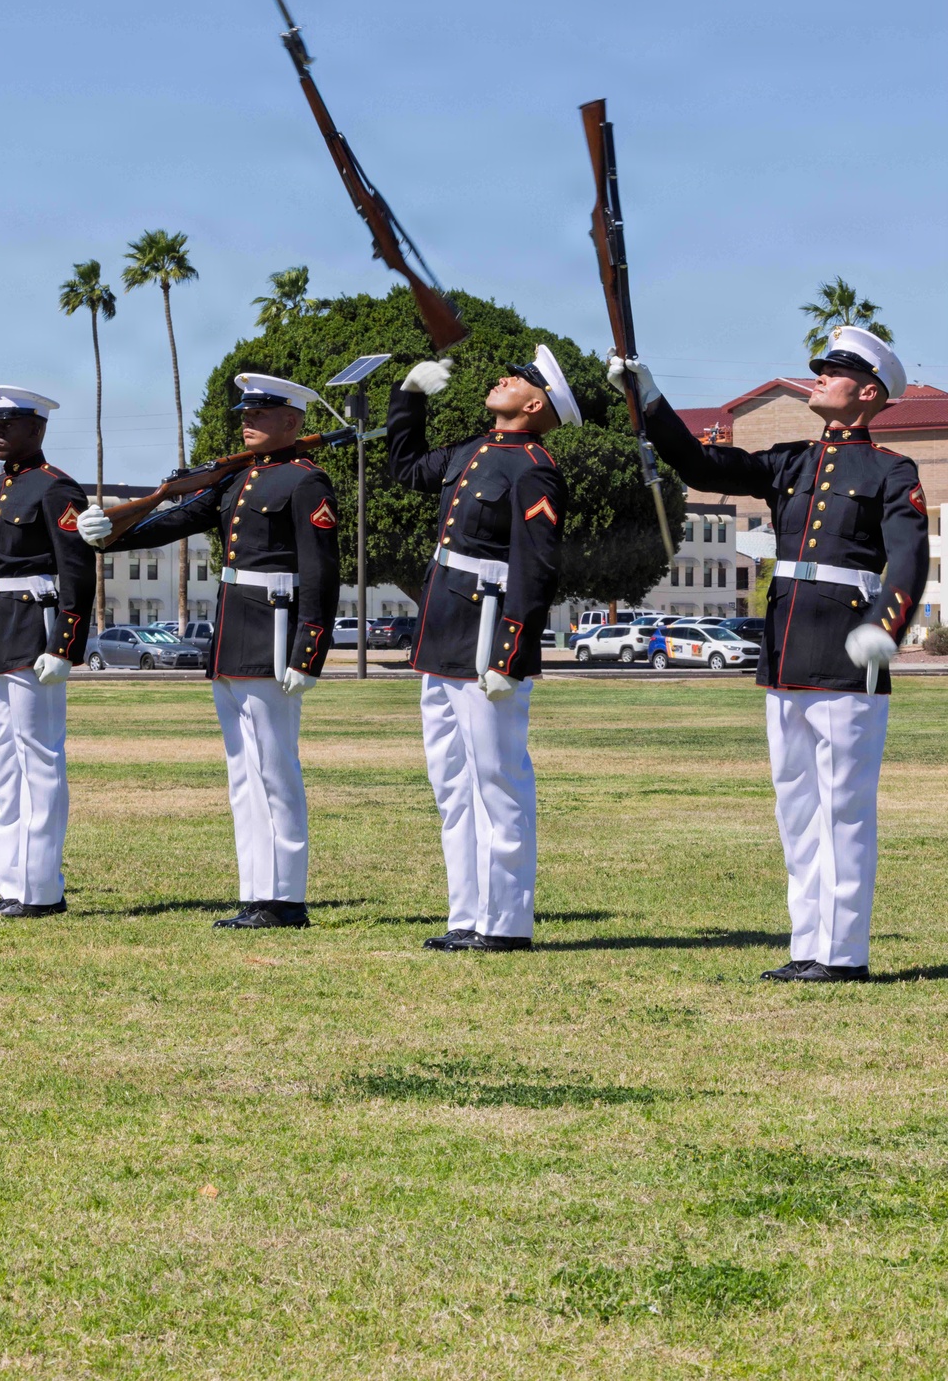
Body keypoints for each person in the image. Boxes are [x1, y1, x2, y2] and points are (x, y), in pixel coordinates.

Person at [608, 327, 929, 982]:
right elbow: (702, 467)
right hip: (784, 655)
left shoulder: (892, 471)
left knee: (843, 807)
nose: (818, 376)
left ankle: (843, 954)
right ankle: (808, 943)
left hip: (847, 656)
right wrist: (650, 398)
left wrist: (884, 631)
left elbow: (910, 558)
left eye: (832, 371)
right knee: (796, 805)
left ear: (867, 393)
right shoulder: (792, 463)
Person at [75, 372, 340, 930]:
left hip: (273, 630)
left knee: (275, 767)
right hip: (233, 630)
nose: (246, 420)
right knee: (243, 770)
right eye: (245, 411)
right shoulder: (236, 479)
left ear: (291, 421)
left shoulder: (306, 482)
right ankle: (255, 893)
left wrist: (307, 651)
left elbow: (321, 573)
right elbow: (174, 520)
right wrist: (110, 533)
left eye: (261, 413)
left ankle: (286, 897)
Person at [387, 346, 581, 952]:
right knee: (451, 782)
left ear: (535, 403)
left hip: (486, 630)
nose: (504, 379)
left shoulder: (535, 469)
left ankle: (506, 922)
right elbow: (408, 467)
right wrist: (408, 399)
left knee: (497, 780)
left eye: (519, 379)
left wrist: (510, 651)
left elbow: (537, 567)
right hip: (443, 626)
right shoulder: (474, 451)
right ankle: (466, 915)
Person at [0, 388, 97, 920]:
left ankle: (42, 891)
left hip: (35, 627)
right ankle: (13, 885)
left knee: (39, 760)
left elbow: (78, 571)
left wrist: (65, 644)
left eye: (8, 422)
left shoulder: (56, 488)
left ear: (35, 430)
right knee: (4, 764)